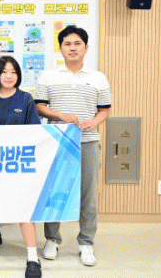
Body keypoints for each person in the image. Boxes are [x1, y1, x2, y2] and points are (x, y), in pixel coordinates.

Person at [35, 26, 111, 267]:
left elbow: (105, 110)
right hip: (57, 142)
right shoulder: (48, 76)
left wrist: (94, 122)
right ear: (61, 48)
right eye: (67, 44)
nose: (72, 48)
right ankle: (52, 239)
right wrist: (60, 115)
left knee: (88, 195)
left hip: (88, 142)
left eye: (77, 43)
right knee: (54, 192)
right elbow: (39, 107)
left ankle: (86, 243)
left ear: (86, 48)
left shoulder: (98, 78)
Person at [0, 56, 43, 278]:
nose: (9, 76)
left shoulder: (26, 99)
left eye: (13, 72)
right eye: (4, 72)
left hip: (19, 163)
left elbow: (35, 132)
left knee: (24, 209)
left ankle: (32, 257)